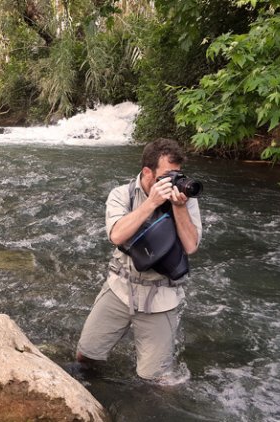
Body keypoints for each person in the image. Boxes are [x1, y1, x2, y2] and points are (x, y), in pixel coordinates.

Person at [76, 138, 202, 381]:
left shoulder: (186, 200)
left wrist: (179, 208)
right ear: (147, 172)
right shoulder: (121, 194)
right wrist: (152, 202)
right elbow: (116, 235)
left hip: (161, 296)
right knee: (86, 355)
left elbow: (191, 246)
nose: (174, 180)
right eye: (167, 175)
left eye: (178, 174)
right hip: (120, 288)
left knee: (154, 379)